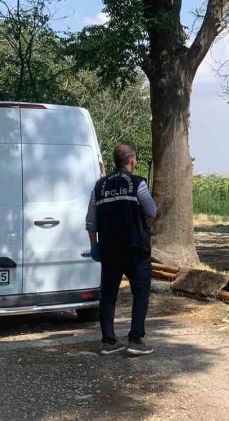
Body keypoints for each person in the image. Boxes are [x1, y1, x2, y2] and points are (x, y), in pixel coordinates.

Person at [86, 142, 157, 356]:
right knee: (140, 293)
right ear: (132, 160)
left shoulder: (99, 187)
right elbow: (152, 211)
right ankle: (135, 339)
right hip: (136, 249)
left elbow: (91, 221)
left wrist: (94, 246)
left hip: (109, 250)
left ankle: (108, 341)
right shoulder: (138, 184)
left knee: (108, 295)